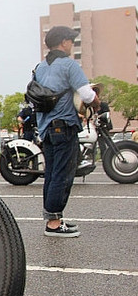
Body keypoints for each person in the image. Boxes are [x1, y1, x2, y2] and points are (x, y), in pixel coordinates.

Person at [35, 26, 100, 238]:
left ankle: (53, 219)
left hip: (46, 128)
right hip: (64, 126)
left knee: (52, 174)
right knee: (62, 174)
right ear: (64, 42)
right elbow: (86, 95)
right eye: (70, 41)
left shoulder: (40, 67)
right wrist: (97, 102)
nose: (72, 44)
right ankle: (54, 224)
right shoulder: (69, 65)